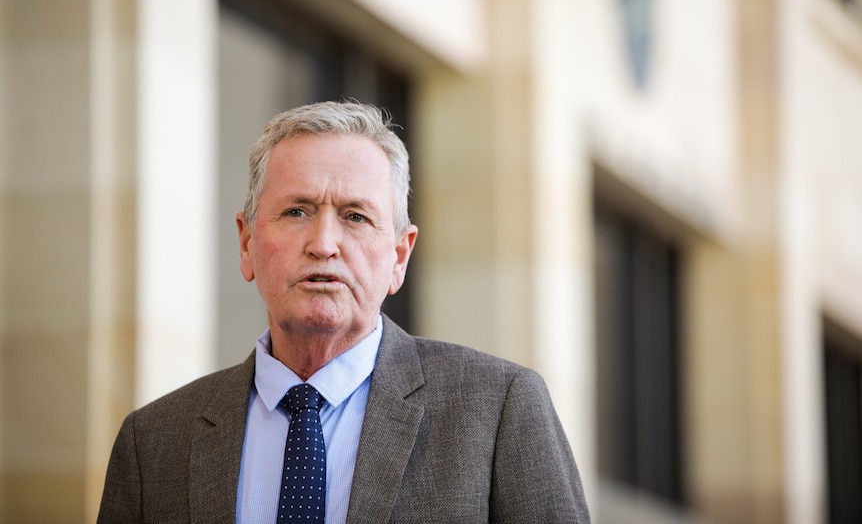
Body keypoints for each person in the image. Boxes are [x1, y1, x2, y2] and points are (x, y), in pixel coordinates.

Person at [97, 100, 591, 523]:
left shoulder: (498, 409)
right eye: (297, 211)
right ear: (247, 243)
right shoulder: (154, 443)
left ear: (399, 256)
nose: (324, 244)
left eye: (355, 216)